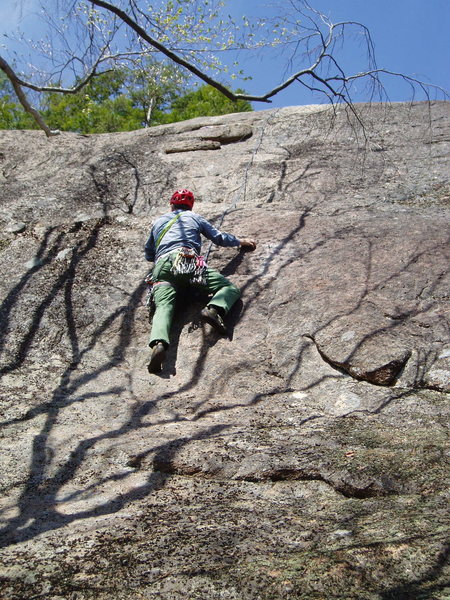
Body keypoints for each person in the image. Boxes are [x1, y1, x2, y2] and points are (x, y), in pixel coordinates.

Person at [144, 189, 256, 373]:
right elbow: (219, 238)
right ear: (191, 205)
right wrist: (240, 241)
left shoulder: (158, 222)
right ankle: (214, 309)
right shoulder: (194, 217)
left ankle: (159, 344)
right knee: (229, 288)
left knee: (163, 307)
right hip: (187, 262)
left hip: (162, 267)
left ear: (171, 205)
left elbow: (149, 254)